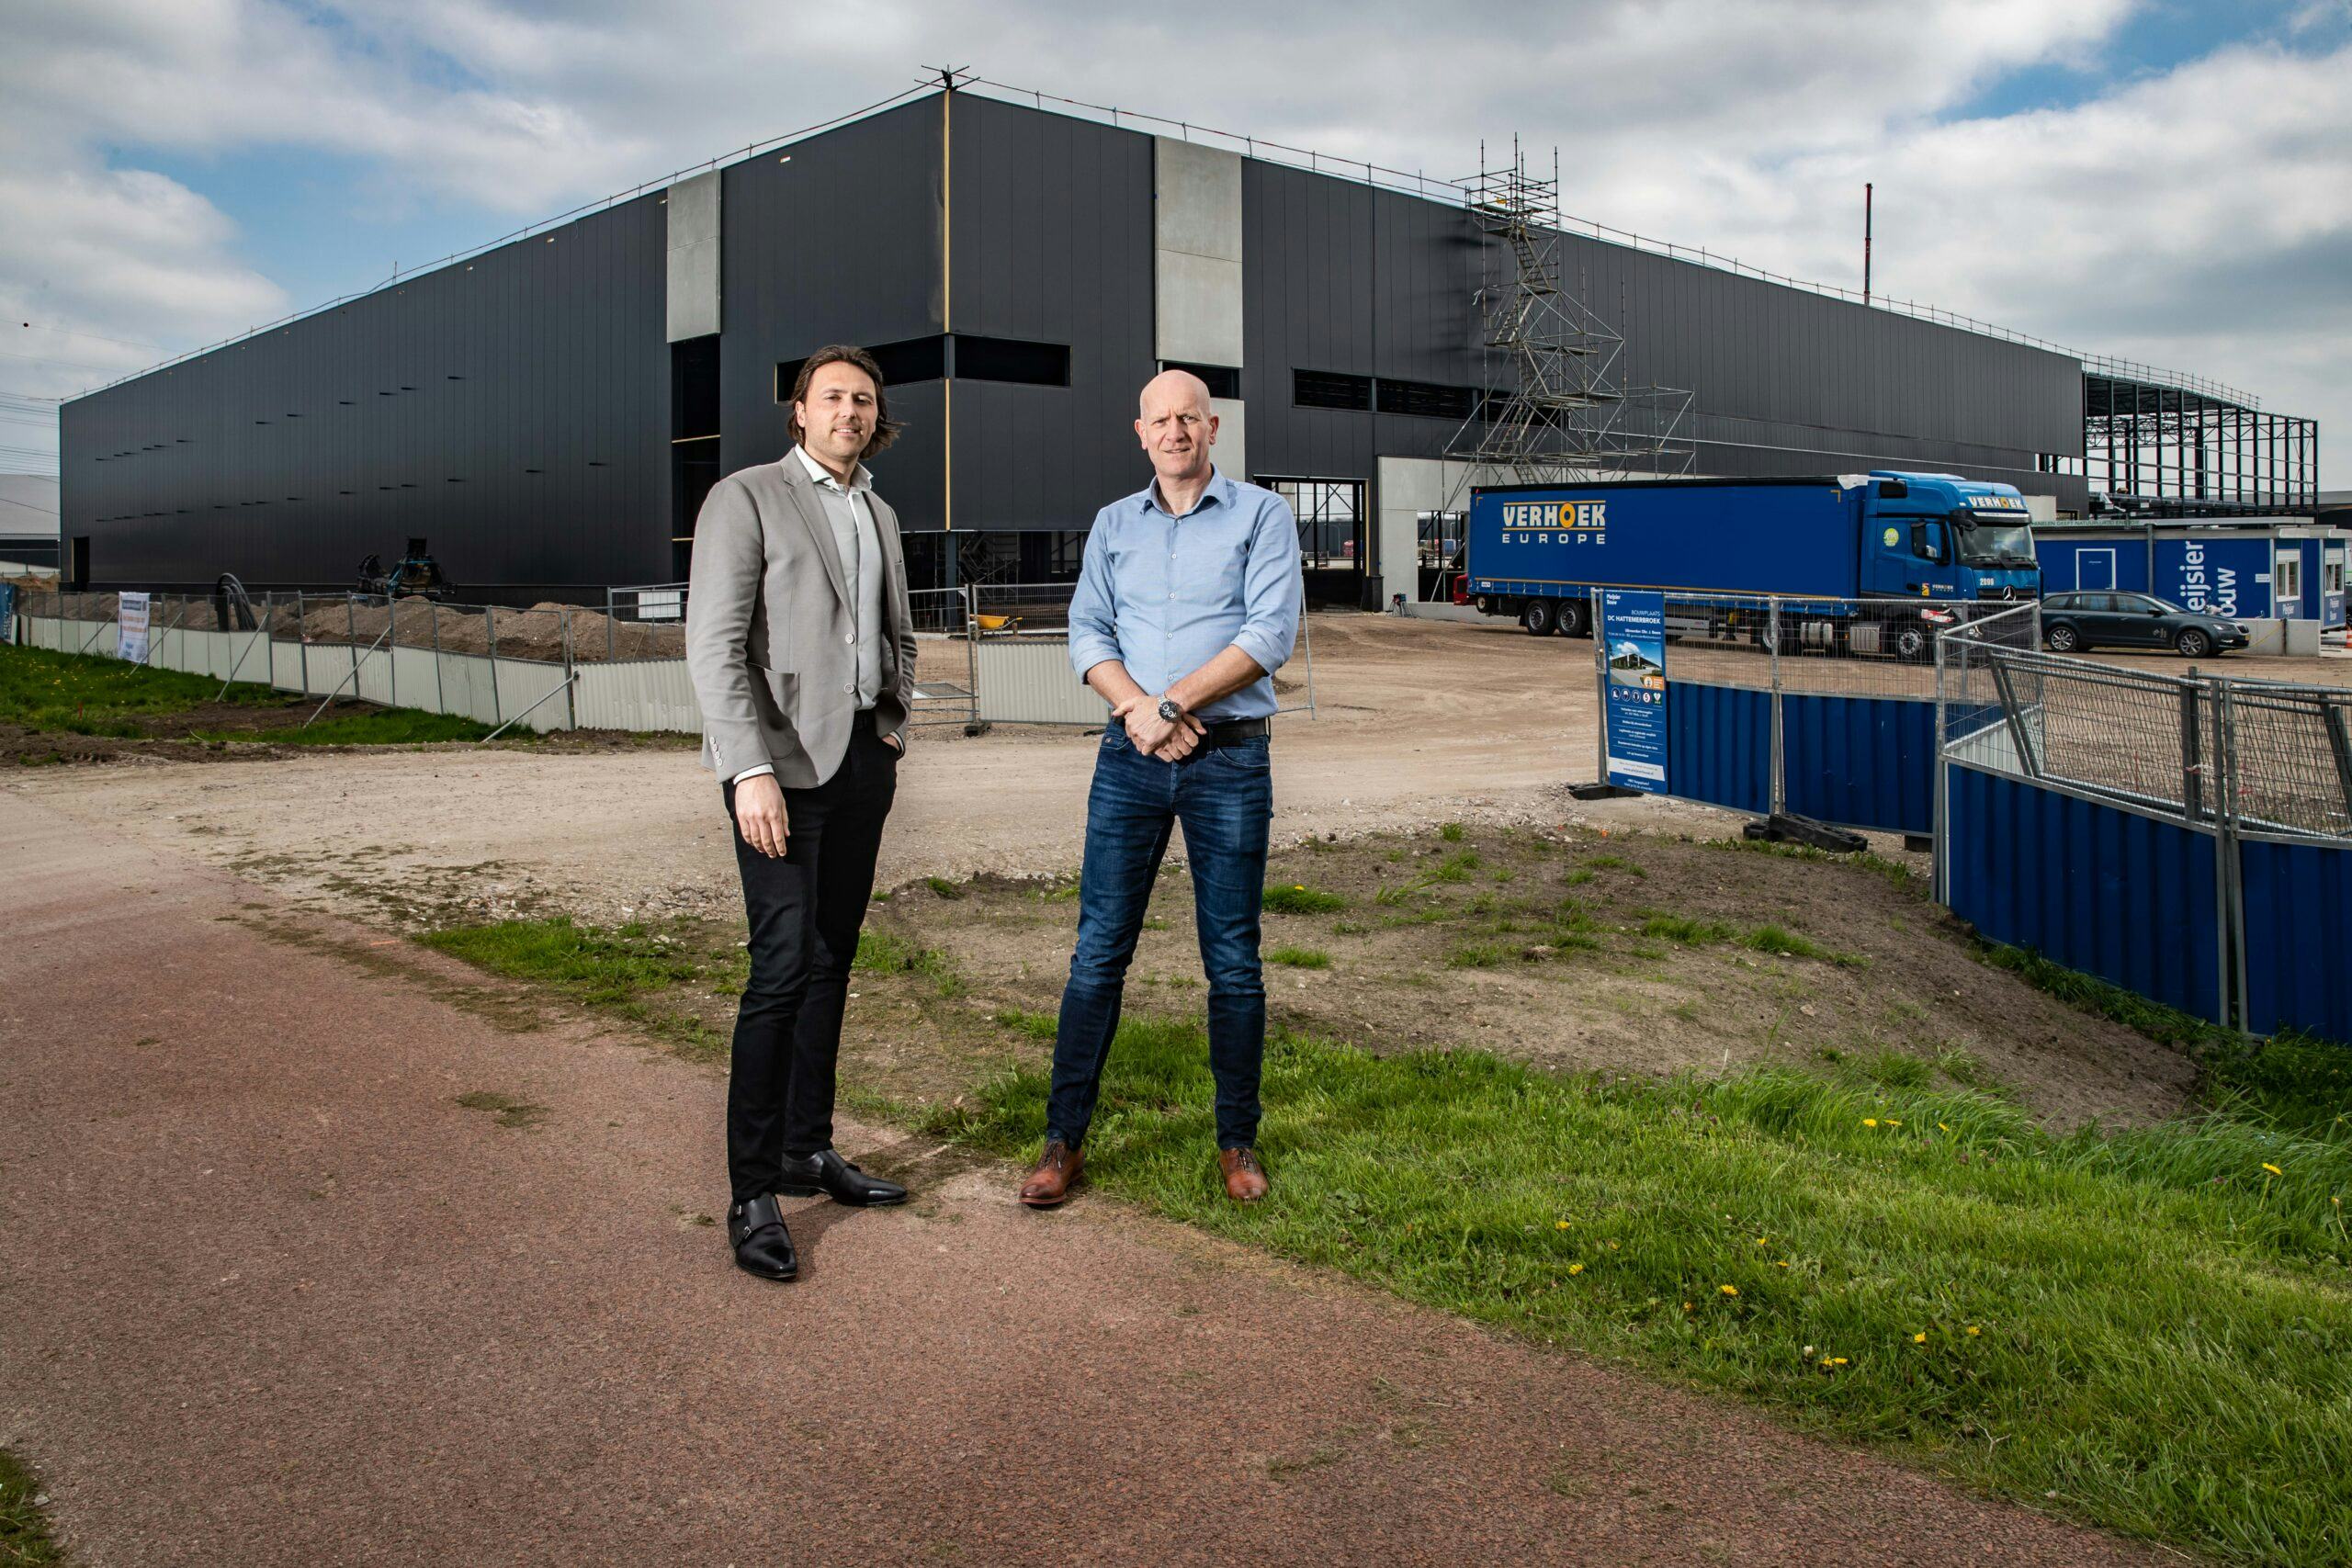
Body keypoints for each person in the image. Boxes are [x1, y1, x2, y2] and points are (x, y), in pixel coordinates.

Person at [1018, 370, 1304, 1210]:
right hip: (1130, 757)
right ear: (1138, 431)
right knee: (1099, 952)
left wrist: (1172, 704)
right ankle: (1062, 1139)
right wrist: (1139, 711)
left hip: (1230, 760)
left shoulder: (1263, 516)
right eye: (1160, 419)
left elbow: (1269, 632)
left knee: (1234, 962)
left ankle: (1237, 1139)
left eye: (1189, 417)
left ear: (1213, 428)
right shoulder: (1113, 525)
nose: (1175, 430)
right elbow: (1086, 631)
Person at [685, 344, 917, 1283]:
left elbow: (895, 629)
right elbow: (714, 647)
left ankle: (804, 1147)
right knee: (780, 967)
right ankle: (751, 1190)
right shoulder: (745, 497)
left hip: (864, 760)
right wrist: (747, 771)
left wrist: (897, 720)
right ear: (800, 411)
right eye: (833, 397)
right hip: (777, 768)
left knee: (832, 957)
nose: (850, 411)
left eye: (863, 400)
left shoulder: (880, 511)